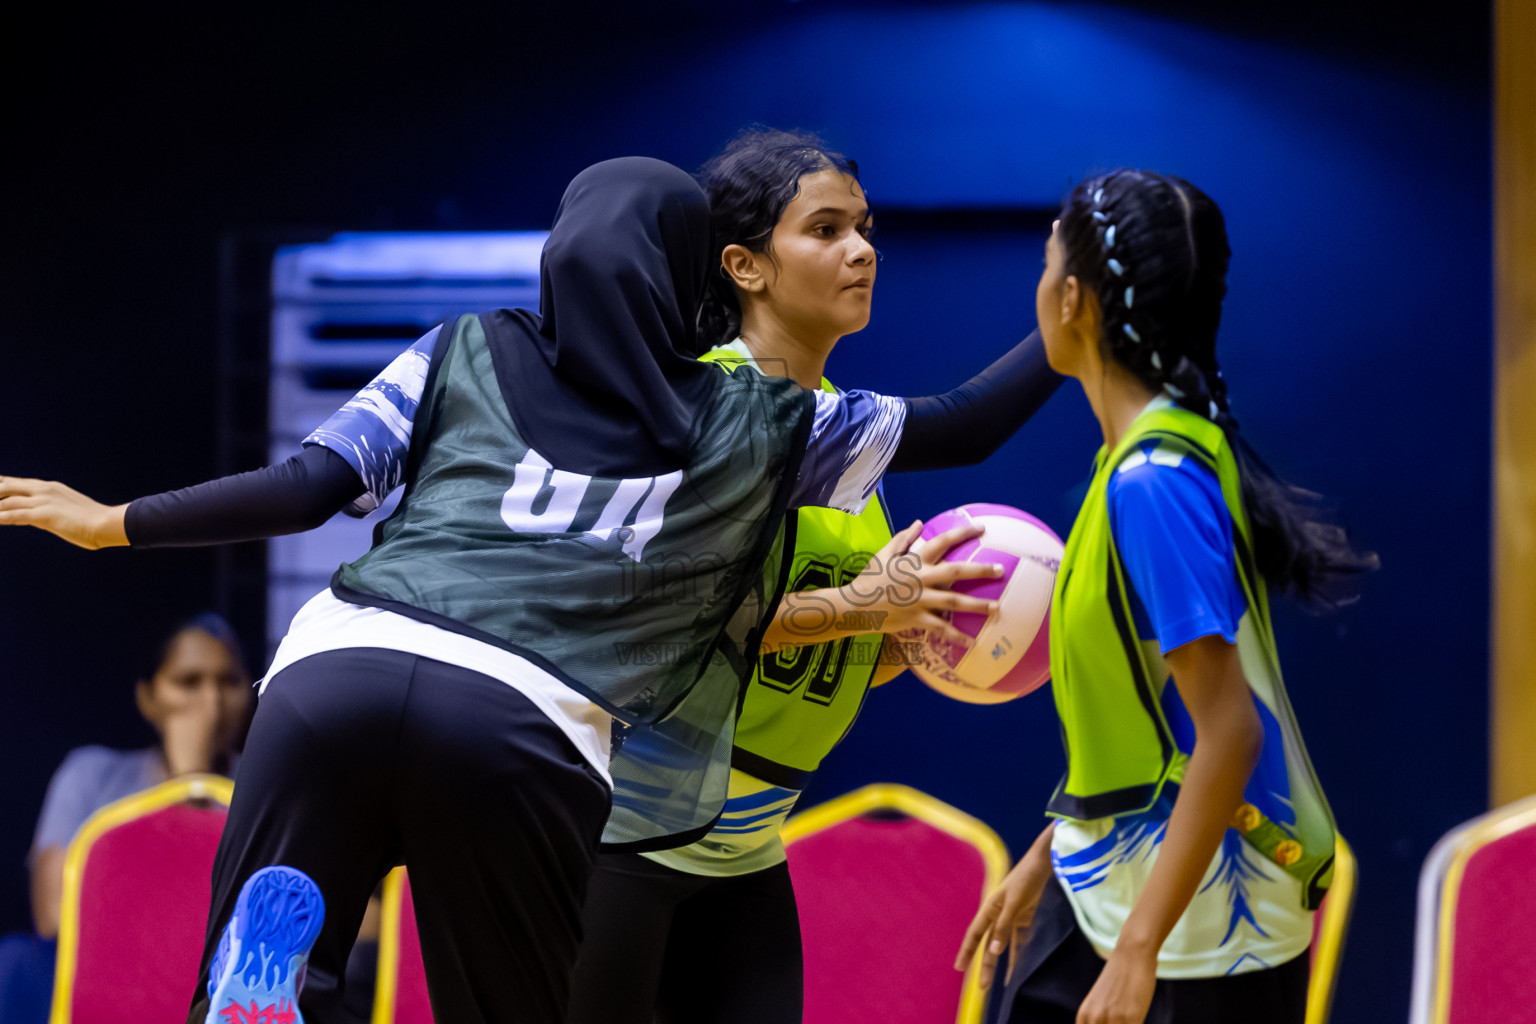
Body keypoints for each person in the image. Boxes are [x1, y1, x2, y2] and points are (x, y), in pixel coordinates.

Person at [0, 156, 1025, 1024]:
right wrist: (1075, 335)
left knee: (281, 953)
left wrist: (113, 520)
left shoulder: (467, 346)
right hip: (519, 716)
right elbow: (968, 423)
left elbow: (309, 486)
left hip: (333, 667)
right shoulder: (743, 417)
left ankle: (272, 981)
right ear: (702, 274)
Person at [568, 128, 1062, 1024]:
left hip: (747, 850)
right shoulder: (707, 400)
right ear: (745, 266)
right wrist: (863, 604)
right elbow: (675, 617)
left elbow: (831, 654)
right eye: (827, 230)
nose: (862, 250)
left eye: (865, 229)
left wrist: (917, 633)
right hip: (628, 835)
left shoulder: (839, 430)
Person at [955, 169, 1376, 1024]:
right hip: (1115, 885)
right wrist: (1055, 847)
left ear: (1072, 300)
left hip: (1197, 934)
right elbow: (1152, 724)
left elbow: (1228, 732)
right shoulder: (1153, 456)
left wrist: (1138, 951)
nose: (1040, 287)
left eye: (1046, 266)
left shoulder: (1155, 482)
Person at [0, 614, 248, 1021]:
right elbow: (54, 915)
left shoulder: (267, 788)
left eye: (229, 681)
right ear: (148, 697)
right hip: (109, 981)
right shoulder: (90, 775)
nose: (212, 701)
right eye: (188, 682)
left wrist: (195, 780)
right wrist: (184, 783)